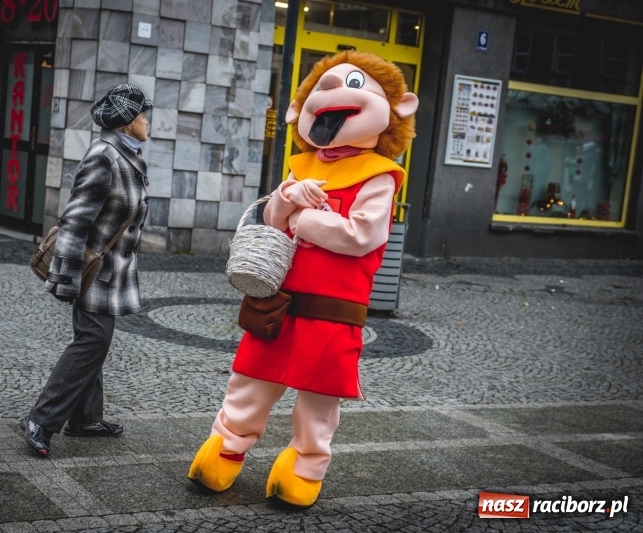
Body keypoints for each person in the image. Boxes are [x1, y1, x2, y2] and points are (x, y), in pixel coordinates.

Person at [187, 51, 418, 508]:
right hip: (279, 297)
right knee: (251, 379)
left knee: (317, 397)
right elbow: (272, 219)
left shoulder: (380, 176)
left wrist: (302, 219)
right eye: (319, 90)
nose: (330, 90)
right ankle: (224, 451)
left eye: (352, 84)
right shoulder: (301, 165)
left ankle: (303, 469)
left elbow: (362, 235)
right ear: (300, 111)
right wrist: (288, 197)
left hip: (333, 305)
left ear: (394, 110)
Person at [21, 84, 152, 457]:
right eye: (142, 115)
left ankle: (85, 417)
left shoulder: (127, 155)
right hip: (91, 269)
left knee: (95, 341)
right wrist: (66, 277)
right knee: (92, 340)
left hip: (111, 272)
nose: (147, 121)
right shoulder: (105, 156)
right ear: (127, 122)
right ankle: (40, 420)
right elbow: (76, 220)